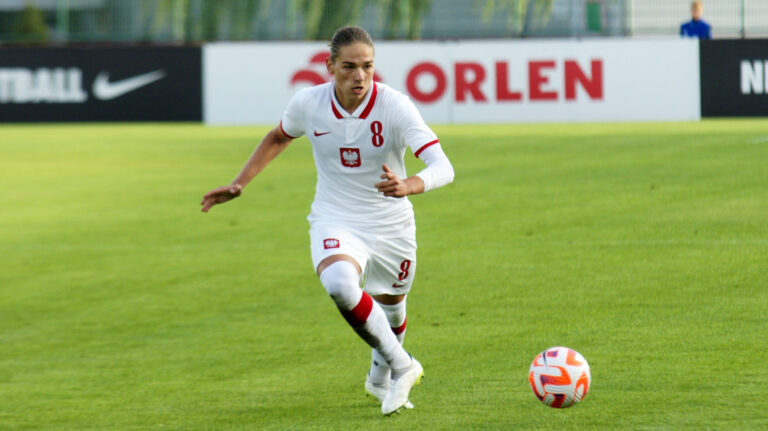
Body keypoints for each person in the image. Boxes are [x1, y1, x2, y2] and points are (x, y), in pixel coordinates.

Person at [200, 25, 454, 416]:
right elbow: (279, 136)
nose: (360, 76)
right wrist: (239, 183)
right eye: (349, 67)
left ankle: (379, 378)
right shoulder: (309, 103)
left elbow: (443, 167)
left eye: (368, 66)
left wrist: (410, 184)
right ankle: (404, 366)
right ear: (329, 66)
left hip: (390, 223)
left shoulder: (394, 106)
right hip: (335, 216)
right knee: (339, 284)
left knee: (392, 307)